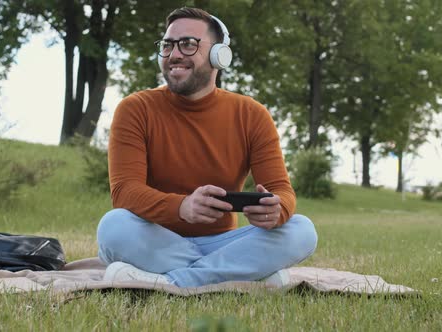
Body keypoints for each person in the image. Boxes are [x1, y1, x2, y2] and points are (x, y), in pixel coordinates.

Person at [96, 7, 317, 288]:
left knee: (302, 230)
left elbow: (282, 191)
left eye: (188, 44)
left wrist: (278, 209)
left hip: (223, 243)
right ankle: (237, 273)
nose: (174, 54)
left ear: (218, 55)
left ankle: (174, 282)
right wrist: (182, 207)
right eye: (167, 45)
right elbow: (125, 192)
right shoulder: (135, 108)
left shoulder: (252, 114)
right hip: (155, 239)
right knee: (114, 227)